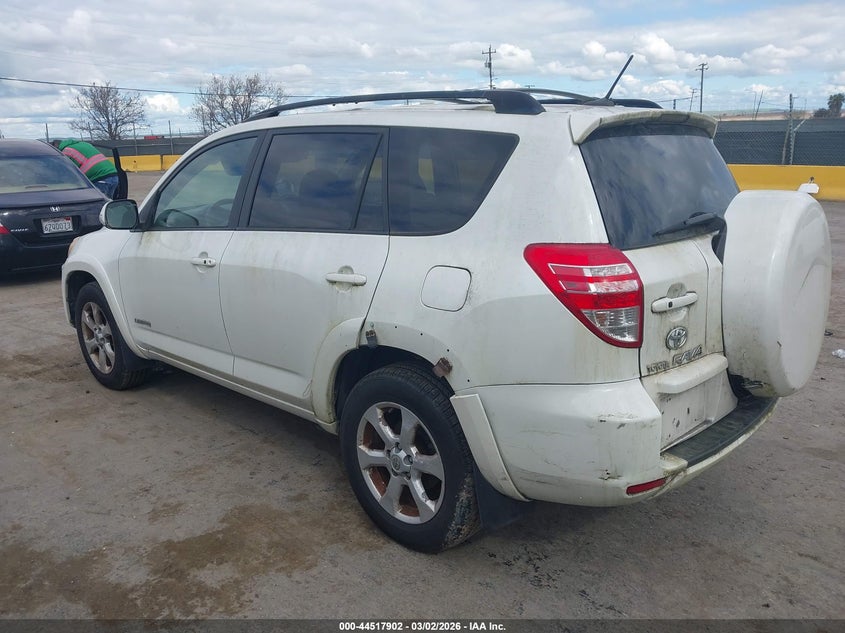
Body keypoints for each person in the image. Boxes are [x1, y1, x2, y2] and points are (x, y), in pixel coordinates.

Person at [51, 139, 120, 199]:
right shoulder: (84, 144)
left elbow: (63, 173)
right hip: (114, 174)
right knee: (108, 204)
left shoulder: (65, 152)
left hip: (99, 178)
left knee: (98, 205)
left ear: (56, 148)